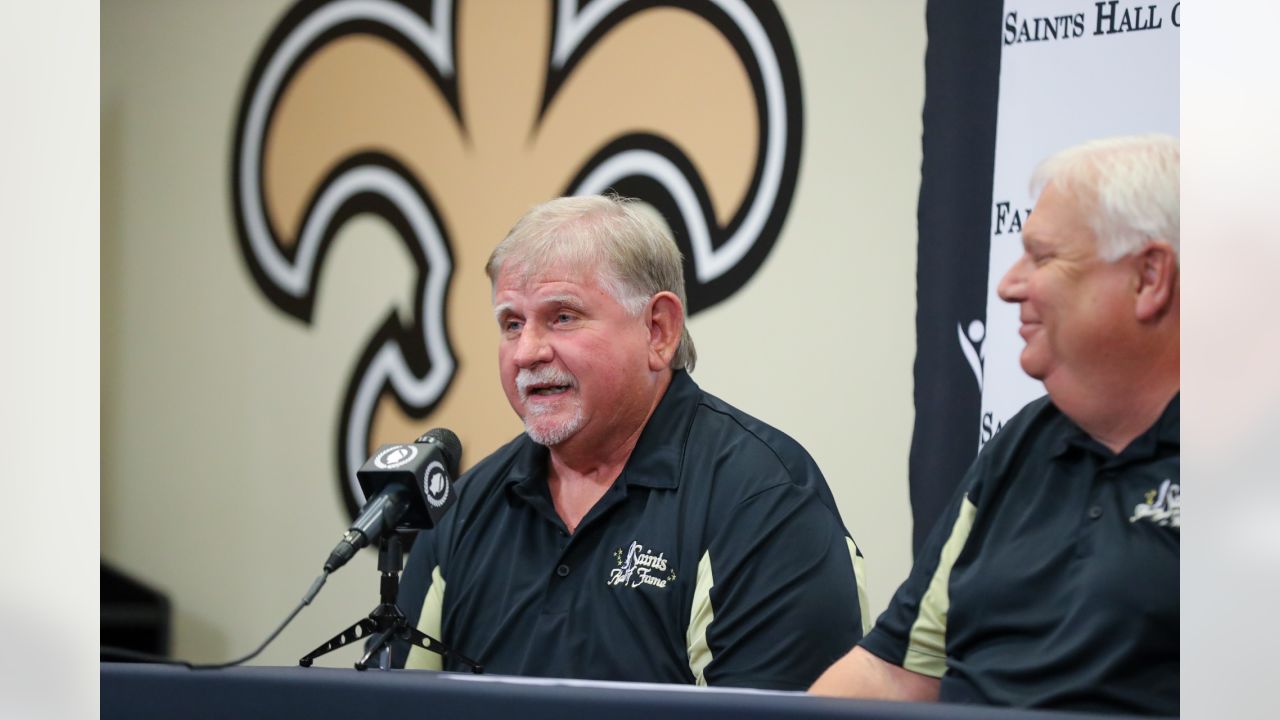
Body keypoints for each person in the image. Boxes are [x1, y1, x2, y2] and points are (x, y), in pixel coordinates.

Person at [392, 195, 868, 689]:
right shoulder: (465, 509)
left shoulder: (764, 500)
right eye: (512, 323)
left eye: (563, 317)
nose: (527, 352)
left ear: (657, 331)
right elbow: (392, 708)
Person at [811, 134, 1179, 715]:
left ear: (1150, 277)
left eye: (1044, 257)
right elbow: (892, 675)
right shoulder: (1023, 444)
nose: (1009, 285)